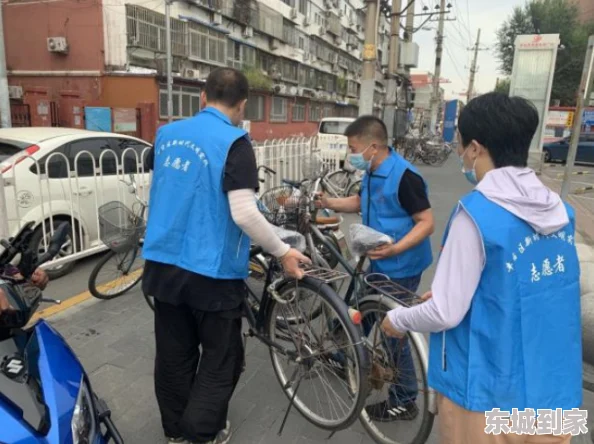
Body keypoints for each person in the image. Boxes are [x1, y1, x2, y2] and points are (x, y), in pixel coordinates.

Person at [381, 92, 581, 444]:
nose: (460, 154)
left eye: (460, 145)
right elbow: (524, 288)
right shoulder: (562, 212)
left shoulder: (476, 215)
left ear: (475, 147)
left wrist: (396, 320)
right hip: (553, 390)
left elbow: (445, 312)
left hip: (487, 395)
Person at [141, 67, 310, 444]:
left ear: (203, 97)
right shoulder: (235, 142)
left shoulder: (166, 135)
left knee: (173, 352)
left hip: (163, 264)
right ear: (243, 104)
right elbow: (245, 213)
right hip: (210, 272)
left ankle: (174, 432)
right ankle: (201, 433)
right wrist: (283, 252)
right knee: (222, 356)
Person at [316, 115, 435, 421]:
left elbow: (427, 222)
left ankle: (405, 399)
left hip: (402, 265)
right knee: (356, 308)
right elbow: (361, 202)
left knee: (392, 328)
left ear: (372, 146)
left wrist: (395, 248)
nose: (350, 154)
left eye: (353, 147)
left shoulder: (405, 177)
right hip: (379, 262)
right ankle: (347, 356)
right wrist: (327, 201)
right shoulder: (372, 170)